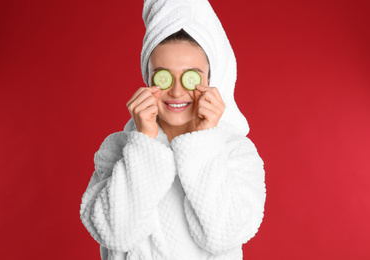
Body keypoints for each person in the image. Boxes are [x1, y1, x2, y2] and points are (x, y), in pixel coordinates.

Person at [80, 0, 266, 259]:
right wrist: (144, 141)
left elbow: (224, 234)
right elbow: (114, 233)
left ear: (211, 81)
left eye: (191, 76)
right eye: (163, 76)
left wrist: (203, 142)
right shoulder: (117, 148)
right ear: (148, 79)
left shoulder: (236, 151)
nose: (177, 91)